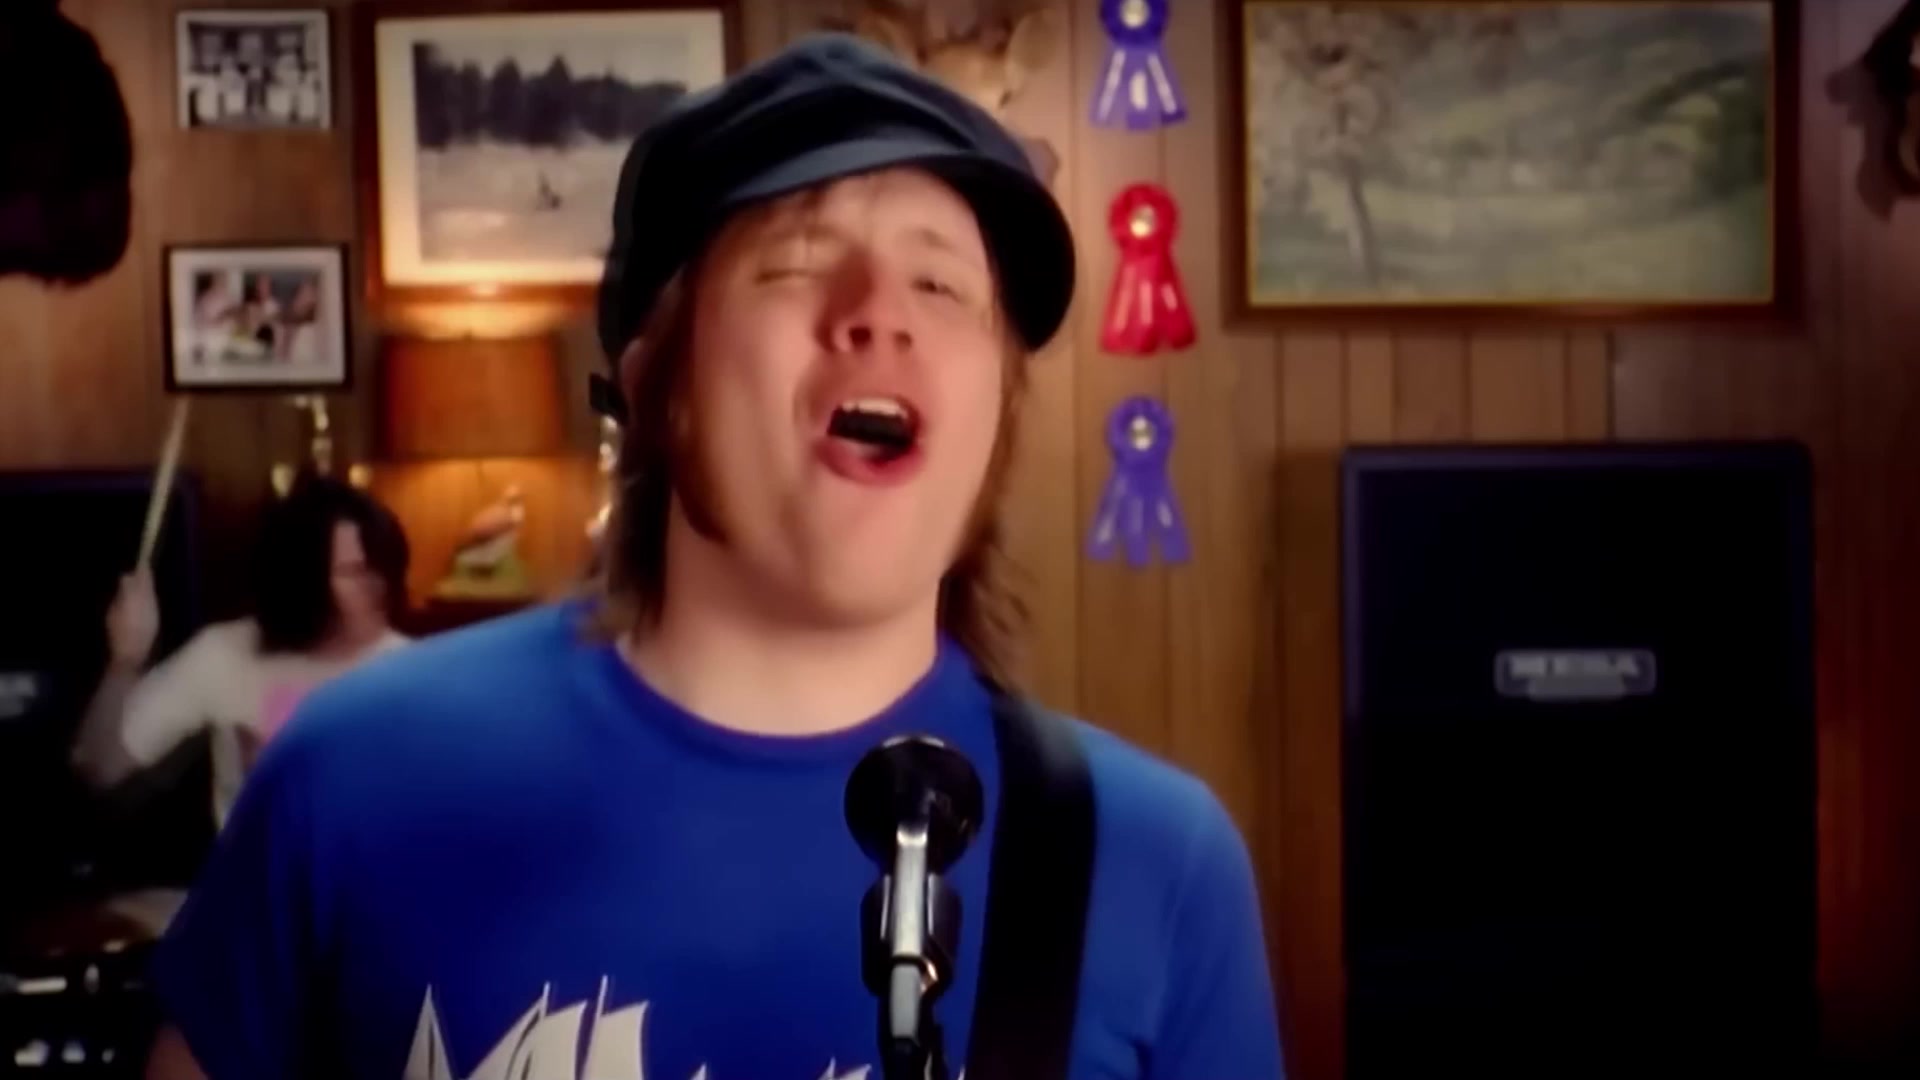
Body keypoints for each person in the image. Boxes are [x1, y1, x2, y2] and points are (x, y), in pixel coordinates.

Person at [144, 34, 1285, 1080]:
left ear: (996, 411)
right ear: (654, 385)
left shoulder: (1154, 860)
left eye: (941, 284)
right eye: (797, 264)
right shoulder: (355, 776)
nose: (879, 313)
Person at [71, 473, 412, 832]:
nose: (379, 587)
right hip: (257, 867)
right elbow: (100, 767)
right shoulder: (222, 655)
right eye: (354, 573)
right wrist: (125, 658)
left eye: (383, 568)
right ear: (302, 579)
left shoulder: (414, 670)